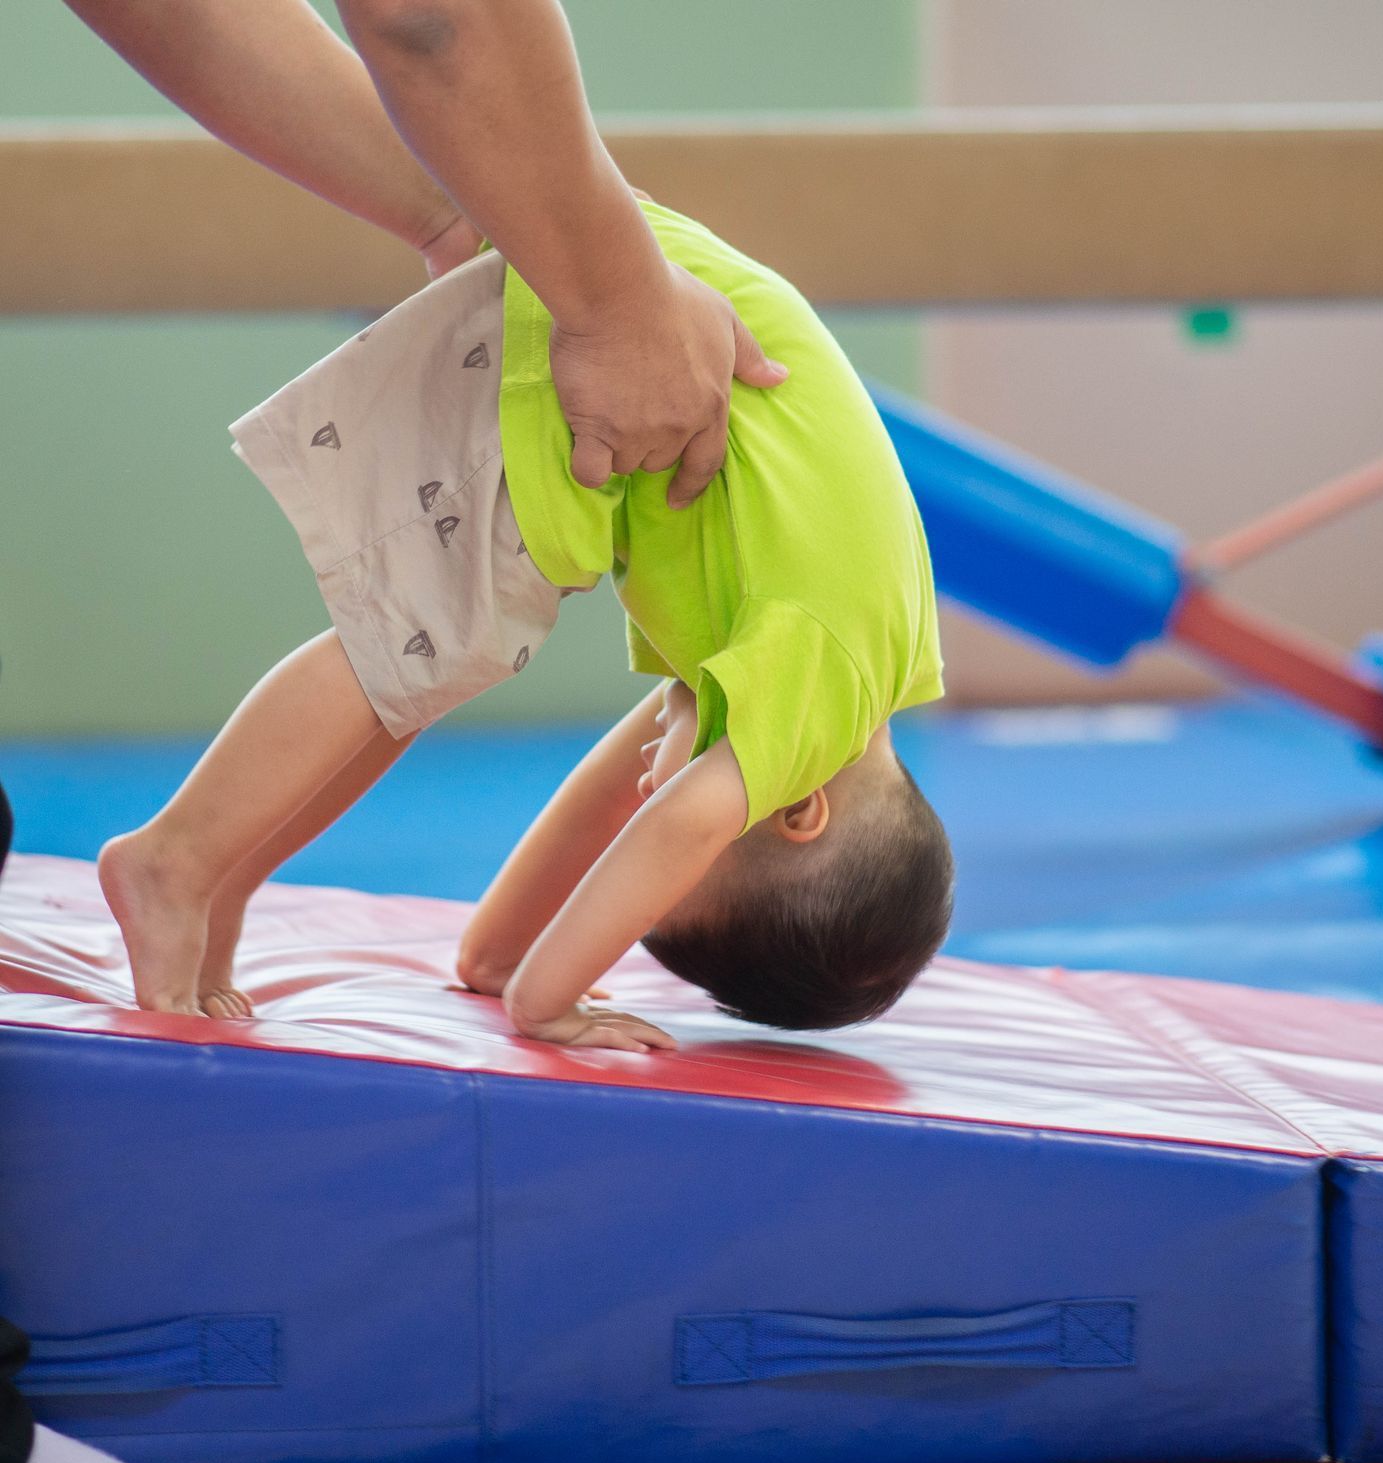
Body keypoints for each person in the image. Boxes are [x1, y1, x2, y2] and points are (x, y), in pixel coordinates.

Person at [6, 1, 786, 1463]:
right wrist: (605, 291)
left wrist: (474, 213)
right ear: (809, 807)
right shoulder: (823, 705)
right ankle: (172, 859)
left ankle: (195, 872)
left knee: (450, 636)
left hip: (571, 250)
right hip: (602, 286)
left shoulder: (864, 663)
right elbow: (430, 13)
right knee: (436, 630)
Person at [99, 194, 954, 1047]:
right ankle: (172, 861)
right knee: (418, 642)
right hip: (629, 329)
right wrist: (546, 1004)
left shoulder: (837, 667)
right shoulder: (818, 686)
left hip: (639, 302)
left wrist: (505, 957)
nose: (652, 798)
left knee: (430, 654)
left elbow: (614, 795)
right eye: (677, 835)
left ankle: (227, 873)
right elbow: (676, 825)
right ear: (800, 809)